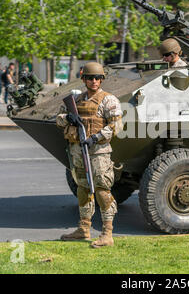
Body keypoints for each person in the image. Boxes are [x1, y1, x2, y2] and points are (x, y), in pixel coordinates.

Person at [56, 62, 123, 248]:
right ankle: (84, 228)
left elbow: (116, 125)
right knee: (83, 189)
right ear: (84, 79)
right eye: (90, 78)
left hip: (98, 152)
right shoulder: (77, 100)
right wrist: (69, 117)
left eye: (98, 78)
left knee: (102, 190)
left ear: (102, 79)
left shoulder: (109, 100)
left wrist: (96, 138)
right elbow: (59, 119)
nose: (94, 81)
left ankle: (107, 234)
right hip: (79, 151)